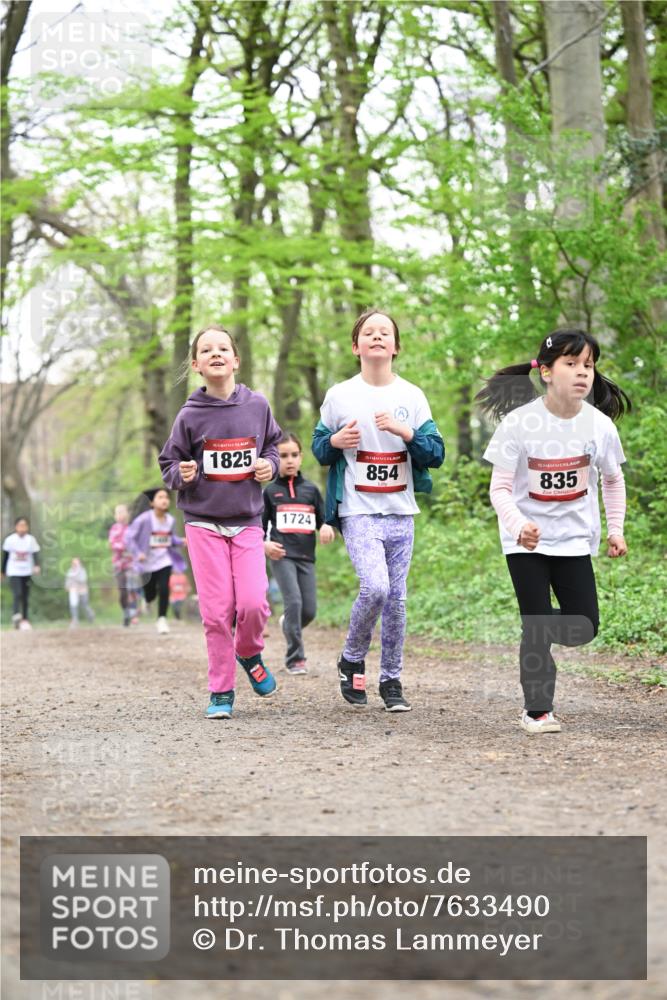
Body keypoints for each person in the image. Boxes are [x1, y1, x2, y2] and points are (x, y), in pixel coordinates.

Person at [477, 328, 630, 735]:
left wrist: (615, 529)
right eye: (571, 363)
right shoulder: (519, 424)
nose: (582, 372)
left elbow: (613, 479)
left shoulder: (599, 426)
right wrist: (519, 526)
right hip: (525, 543)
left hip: (574, 540)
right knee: (536, 622)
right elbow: (499, 489)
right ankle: (537, 710)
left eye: (588, 365)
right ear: (546, 372)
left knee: (585, 626)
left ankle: (536, 628)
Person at [312, 309, 445, 712]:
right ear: (356, 346)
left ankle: (391, 680)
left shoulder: (412, 396)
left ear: (395, 346)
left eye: (384, 332)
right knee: (376, 588)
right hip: (358, 509)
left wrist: (406, 433)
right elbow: (319, 449)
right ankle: (352, 657)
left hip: (401, 510)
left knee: (397, 601)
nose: (376, 337)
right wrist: (334, 441)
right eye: (368, 332)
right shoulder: (340, 395)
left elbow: (436, 453)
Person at [158, 323, 282, 719]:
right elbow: (169, 462)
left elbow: (274, 446)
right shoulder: (189, 415)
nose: (216, 353)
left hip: (246, 520)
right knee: (216, 612)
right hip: (203, 523)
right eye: (206, 350)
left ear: (235, 360)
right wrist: (182, 474)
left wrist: (270, 466)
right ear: (196, 364)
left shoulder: (257, 405)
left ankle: (248, 650)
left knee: (253, 603)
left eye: (223, 348)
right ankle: (221, 691)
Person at [263, 432, 335, 674]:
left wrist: (326, 527)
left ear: (301, 457)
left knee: (309, 610)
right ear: (276, 459)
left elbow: (324, 519)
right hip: (281, 555)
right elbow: (258, 528)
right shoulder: (270, 491)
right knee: (293, 602)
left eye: (294, 455)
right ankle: (295, 658)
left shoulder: (311, 490)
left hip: (306, 557)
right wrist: (264, 545)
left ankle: (288, 623)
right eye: (283, 456)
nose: (289, 460)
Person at [125, 488, 186, 635]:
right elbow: (129, 537)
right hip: (146, 563)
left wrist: (181, 541)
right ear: (152, 503)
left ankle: (162, 619)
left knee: (164, 588)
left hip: (164, 560)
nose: (164, 500)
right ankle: (147, 600)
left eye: (166, 497)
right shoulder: (144, 519)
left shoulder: (170, 520)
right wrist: (138, 553)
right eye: (160, 497)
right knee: (150, 593)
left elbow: (169, 538)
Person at [2, 516, 41, 630]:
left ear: (27, 527)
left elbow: (35, 554)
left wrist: (36, 565)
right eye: (20, 525)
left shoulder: (31, 540)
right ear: (16, 527)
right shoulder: (10, 540)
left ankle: (25, 619)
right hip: (14, 571)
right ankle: (16, 616)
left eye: (24, 526)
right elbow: (5, 556)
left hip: (26, 571)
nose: (22, 528)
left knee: (25, 595)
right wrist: (2, 571)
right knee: (17, 593)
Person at [108, 503, 137, 627]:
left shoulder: (132, 528)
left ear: (127, 514)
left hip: (132, 564)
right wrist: (124, 547)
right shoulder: (114, 529)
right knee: (122, 591)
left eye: (122, 512)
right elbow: (112, 544)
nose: (119, 515)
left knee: (132, 588)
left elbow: (136, 544)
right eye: (117, 512)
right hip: (118, 564)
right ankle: (126, 612)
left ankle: (133, 613)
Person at [64, 557, 95, 627]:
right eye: (73, 563)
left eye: (76, 563)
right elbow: (68, 580)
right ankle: (75, 620)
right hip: (73, 590)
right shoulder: (70, 571)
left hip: (82, 590)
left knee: (85, 605)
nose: (74, 564)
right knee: (73, 605)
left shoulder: (82, 571)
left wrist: (74, 576)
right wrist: (67, 586)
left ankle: (91, 616)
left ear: (79, 563)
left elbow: (83, 580)